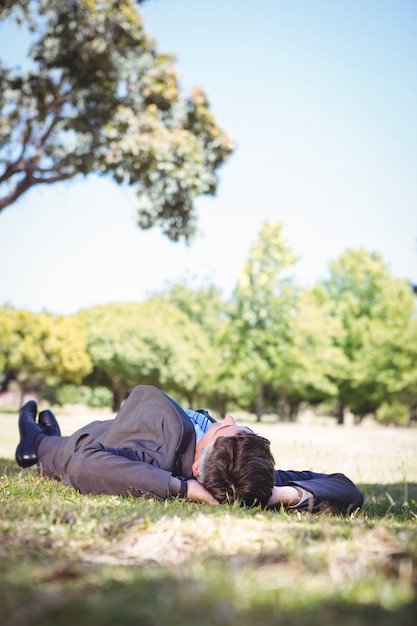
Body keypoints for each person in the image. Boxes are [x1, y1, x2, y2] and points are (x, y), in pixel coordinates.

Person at [15, 384, 364, 514]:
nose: (225, 417)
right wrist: (279, 492)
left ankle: (33, 433)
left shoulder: (163, 461)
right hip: (108, 430)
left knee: (42, 448)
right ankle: (44, 429)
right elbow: (345, 486)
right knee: (51, 432)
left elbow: (83, 465)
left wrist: (180, 488)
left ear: (198, 469)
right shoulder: (246, 471)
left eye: (228, 427)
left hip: (84, 442)